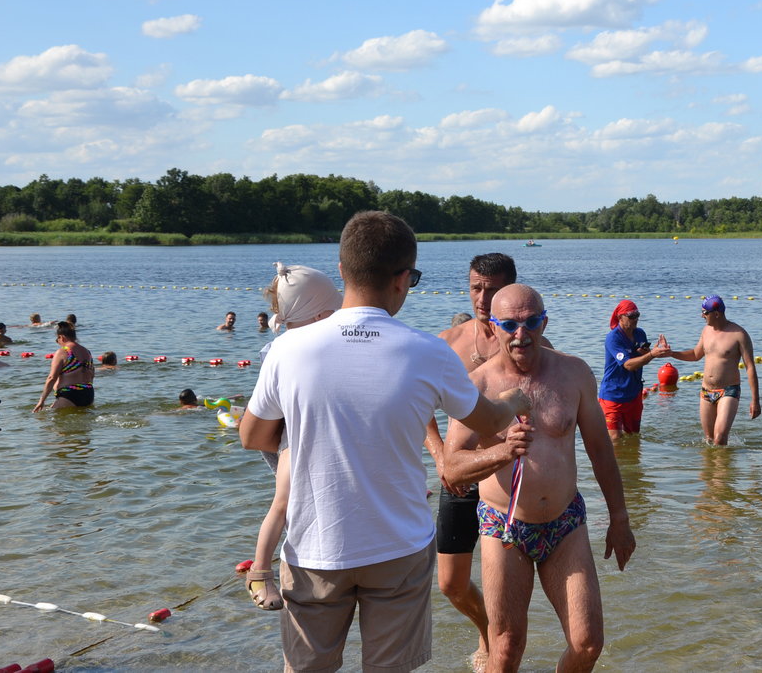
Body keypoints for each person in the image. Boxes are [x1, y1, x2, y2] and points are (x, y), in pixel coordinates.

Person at [239, 211, 530, 673]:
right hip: (399, 546)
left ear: (342, 271)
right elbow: (489, 417)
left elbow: (252, 435)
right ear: (402, 279)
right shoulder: (428, 351)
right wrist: (516, 396)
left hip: (316, 547)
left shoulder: (288, 349)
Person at [442, 283, 636, 672]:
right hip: (504, 526)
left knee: (587, 643)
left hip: (565, 523)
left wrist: (619, 519)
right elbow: (450, 468)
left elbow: (601, 449)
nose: (521, 334)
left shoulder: (574, 372)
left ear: (544, 322)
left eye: (531, 322)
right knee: (507, 647)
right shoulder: (477, 386)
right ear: (493, 326)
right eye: (510, 324)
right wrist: (503, 450)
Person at [423, 253, 528, 671]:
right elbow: (420, 402)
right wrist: (439, 456)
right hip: (462, 477)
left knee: (504, 586)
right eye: (475, 288)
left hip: (506, 482)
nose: (483, 297)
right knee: (449, 583)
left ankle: (501, 643)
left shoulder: (528, 340)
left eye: (492, 289)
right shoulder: (448, 342)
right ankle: (487, 628)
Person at [244, 261, 344, 612]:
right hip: (289, 434)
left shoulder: (318, 340)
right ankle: (260, 571)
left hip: (314, 430)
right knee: (284, 500)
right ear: (321, 315)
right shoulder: (282, 348)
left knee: (303, 498)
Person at [669, 295, 761, 445]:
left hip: (728, 391)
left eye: (705, 312)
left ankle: (723, 468)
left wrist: (755, 400)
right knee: (709, 440)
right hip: (706, 391)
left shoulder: (739, 335)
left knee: (719, 439)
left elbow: (750, 367)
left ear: (716, 314)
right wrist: (672, 353)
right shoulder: (706, 331)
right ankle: (711, 468)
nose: (702, 315)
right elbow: (695, 355)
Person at [598, 300, 672, 443]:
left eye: (637, 315)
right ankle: (613, 465)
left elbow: (641, 359)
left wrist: (657, 352)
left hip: (633, 394)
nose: (636, 319)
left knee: (633, 437)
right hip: (613, 394)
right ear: (620, 317)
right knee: (615, 439)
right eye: (631, 316)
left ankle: (633, 465)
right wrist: (651, 355)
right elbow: (628, 365)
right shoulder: (613, 337)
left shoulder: (640, 333)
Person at [33, 321, 94, 411]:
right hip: (88, 393)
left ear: (61, 337)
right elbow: (92, 374)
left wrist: (41, 400)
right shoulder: (87, 352)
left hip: (70, 394)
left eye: (57, 340)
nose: (58, 343)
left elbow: (51, 378)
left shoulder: (63, 351)